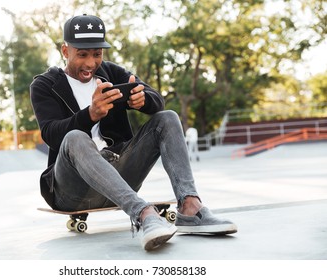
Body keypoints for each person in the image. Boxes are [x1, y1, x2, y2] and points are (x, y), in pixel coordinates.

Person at [30, 14, 237, 251]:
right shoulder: (45, 85)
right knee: (75, 137)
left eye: (97, 54)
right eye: (82, 54)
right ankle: (143, 215)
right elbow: (51, 134)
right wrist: (91, 114)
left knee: (167, 117)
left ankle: (190, 207)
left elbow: (157, 100)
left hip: (120, 176)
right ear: (65, 51)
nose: (90, 63)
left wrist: (144, 101)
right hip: (72, 189)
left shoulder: (111, 73)